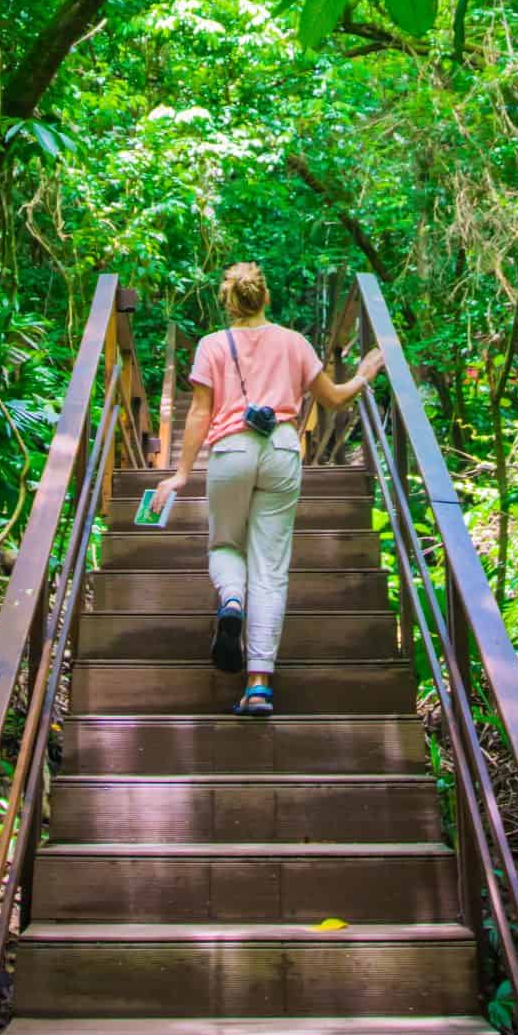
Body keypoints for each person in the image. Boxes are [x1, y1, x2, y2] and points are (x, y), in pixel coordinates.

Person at [153, 261, 385, 716]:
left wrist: (179, 473)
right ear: (267, 297)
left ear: (228, 301)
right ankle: (259, 683)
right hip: (280, 447)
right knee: (271, 566)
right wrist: (365, 373)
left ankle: (232, 600)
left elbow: (199, 412)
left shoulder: (212, 345)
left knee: (224, 543)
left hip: (232, 449)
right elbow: (334, 398)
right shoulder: (294, 343)